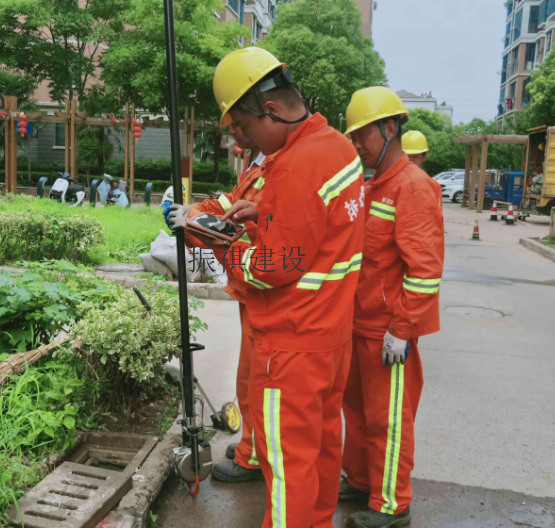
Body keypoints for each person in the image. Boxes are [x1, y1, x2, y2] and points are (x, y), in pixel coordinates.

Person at [214, 47, 365, 528]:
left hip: (293, 344)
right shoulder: (336, 146)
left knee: (288, 469)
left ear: (271, 110)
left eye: (243, 127)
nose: (244, 140)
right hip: (330, 336)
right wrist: (266, 212)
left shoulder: (296, 167)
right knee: (320, 453)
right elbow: (320, 231)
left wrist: (222, 246)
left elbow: (273, 268)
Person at [340, 87, 445, 528]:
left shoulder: (413, 188)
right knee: (358, 412)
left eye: (363, 134)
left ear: (389, 128)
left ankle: (391, 504)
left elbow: (424, 270)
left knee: (388, 418)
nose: (358, 144)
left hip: (388, 331)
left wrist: (402, 329)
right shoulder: (372, 186)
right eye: (354, 136)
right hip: (359, 324)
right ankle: (363, 479)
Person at [165, 129, 269, 483]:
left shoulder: (276, 166)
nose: (236, 133)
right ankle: (251, 447)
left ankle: (257, 454)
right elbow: (227, 206)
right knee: (249, 377)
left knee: (260, 380)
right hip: (251, 289)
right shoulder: (255, 164)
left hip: (264, 286)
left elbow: (233, 232)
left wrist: (197, 226)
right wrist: (191, 212)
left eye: (240, 124)